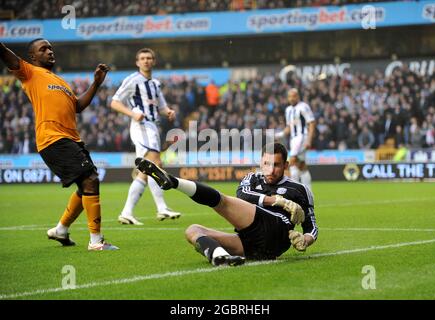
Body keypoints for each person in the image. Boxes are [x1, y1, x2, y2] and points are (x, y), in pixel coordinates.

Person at [0, 39, 118, 250]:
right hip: (52, 138)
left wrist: (96, 83)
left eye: (50, 48)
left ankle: (61, 230)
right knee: (90, 180)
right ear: (33, 57)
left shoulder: (61, 82)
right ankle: (96, 241)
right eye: (43, 49)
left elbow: (78, 106)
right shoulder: (29, 72)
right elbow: (5, 53)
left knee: (86, 186)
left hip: (72, 139)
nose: (49, 51)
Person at [135, 142, 318, 266]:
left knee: (222, 201)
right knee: (192, 230)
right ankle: (219, 256)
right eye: (266, 164)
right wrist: (278, 201)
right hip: (251, 243)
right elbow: (243, 195)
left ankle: (173, 182)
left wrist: (305, 240)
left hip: (276, 230)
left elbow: (312, 228)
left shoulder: (300, 189)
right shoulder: (252, 178)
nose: (270, 170)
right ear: (260, 162)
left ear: (286, 165)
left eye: (276, 165)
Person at [110, 48, 181, 225]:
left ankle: (127, 212)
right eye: (142, 58)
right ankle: (162, 207)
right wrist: (132, 114)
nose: (146, 61)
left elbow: (161, 107)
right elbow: (114, 102)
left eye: (149, 58)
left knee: (145, 171)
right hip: (141, 126)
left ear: (154, 61)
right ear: (137, 62)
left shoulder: (155, 84)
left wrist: (169, 112)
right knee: (156, 163)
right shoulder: (133, 80)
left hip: (152, 126)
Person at [276, 88, 316, 190]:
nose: (292, 98)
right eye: (290, 96)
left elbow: (311, 122)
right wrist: (279, 135)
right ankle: (308, 192)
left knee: (292, 162)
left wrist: (309, 140)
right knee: (302, 166)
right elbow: (289, 127)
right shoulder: (288, 110)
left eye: (294, 96)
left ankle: (296, 191)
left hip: (302, 137)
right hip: (293, 139)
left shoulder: (303, 107)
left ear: (298, 96)